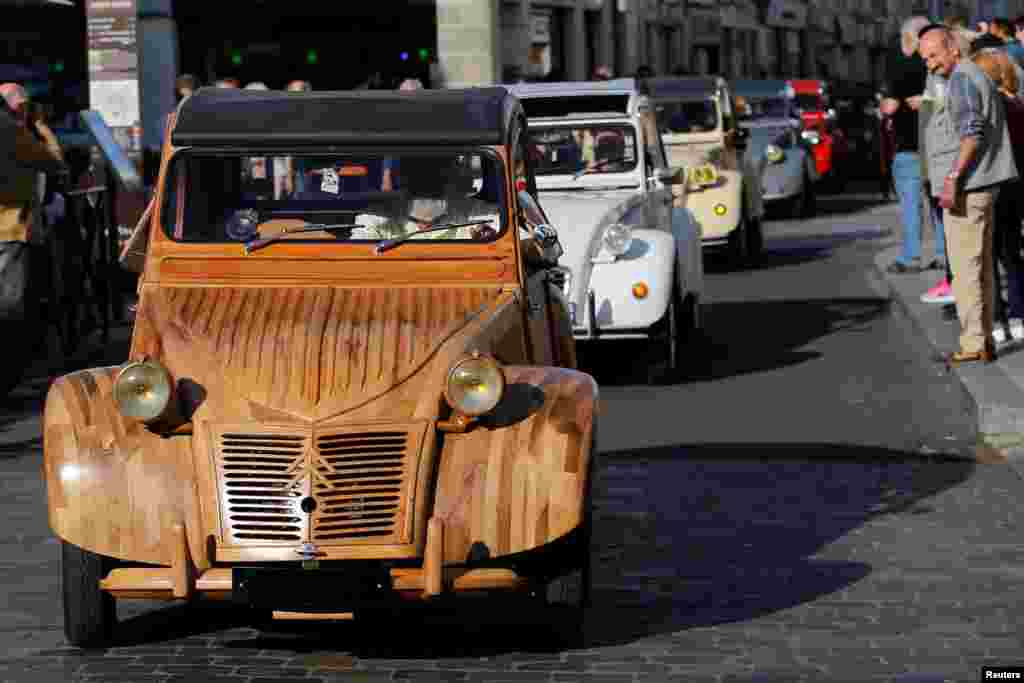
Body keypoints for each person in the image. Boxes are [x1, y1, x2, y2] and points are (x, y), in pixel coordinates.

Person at [919, 24, 1019, 364]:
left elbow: (971, 133)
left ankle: (974, 342)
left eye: (933, 55)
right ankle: (984, 338)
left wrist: (952, 177)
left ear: (952, 48)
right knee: (980, 267)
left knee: (966, 269)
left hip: (969, 187)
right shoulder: (973, 75)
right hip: (983, 185)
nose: (929, 64)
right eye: (925, 58)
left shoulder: (962, 79)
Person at [0, 83, 66, 366]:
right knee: (11, 309)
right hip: (11, 229)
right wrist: (41, 126)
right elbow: (55, 161)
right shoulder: (9, 129)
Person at [880, 16, 942, 274]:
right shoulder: (925, 59)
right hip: (917, 143)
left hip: (925, 143)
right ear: (914, 36)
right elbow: (890, 100)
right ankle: (940, 255)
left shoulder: (896, 59)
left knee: (920, 204)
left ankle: (912, 257)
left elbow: (890, 102)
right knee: (932, 203)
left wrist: (925, 101)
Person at [972, 48, 1024, 344]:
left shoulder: (991, 106)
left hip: (992, 183)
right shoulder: (1017, 104)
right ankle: (1018, 314)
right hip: (1017, 186)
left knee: (988, 257)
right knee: (1012, 253)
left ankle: (996, 320)